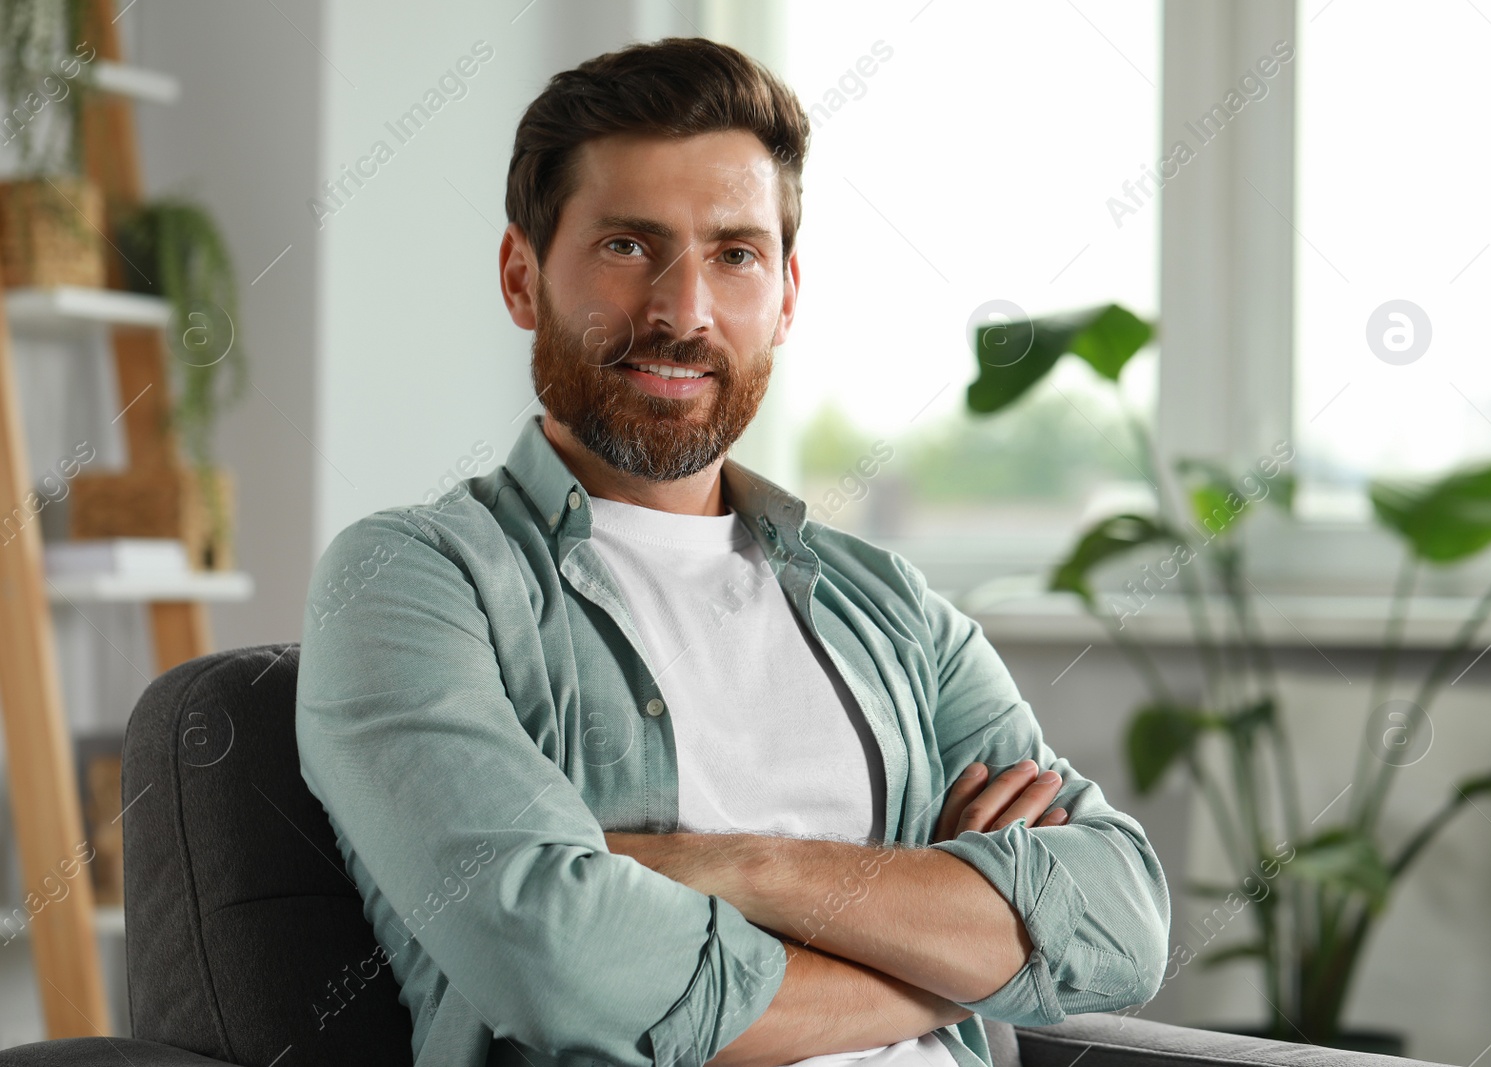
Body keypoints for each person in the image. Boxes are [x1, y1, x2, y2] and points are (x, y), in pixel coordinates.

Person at [295, 35, 1169, 1067]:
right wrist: (943, 942)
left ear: (787, 295)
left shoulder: (888, 605)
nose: (681, 311)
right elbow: (554, 956)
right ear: (522, 277)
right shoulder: (414, 580)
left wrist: (736, 864)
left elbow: (1118, 918)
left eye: (734, 253)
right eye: (627, 245)